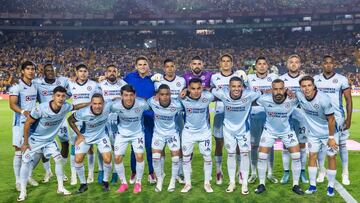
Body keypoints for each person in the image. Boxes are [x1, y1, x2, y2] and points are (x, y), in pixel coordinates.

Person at [18, 86, 88, 201]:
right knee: (25, 163)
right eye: (58, 96)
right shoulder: (41, 109)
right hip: (34, 140)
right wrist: (25, 143)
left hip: (49, 141)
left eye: (63, 96)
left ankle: (60, 187)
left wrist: (90, 103)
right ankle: (23, 192)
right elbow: (27, 123)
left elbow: (75, 106)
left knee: (58, 159)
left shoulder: (65, 107)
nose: (61, 98)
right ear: (53, 97)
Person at [254, 79, 304, 195]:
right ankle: (262, 184)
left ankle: (295, 185)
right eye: (275, 89)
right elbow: (251, 97)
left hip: (287, 131)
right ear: (271, 90)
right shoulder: (264, 99)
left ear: (285, 89)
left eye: (281, 89)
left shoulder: (292, 99)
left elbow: (304, 95)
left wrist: (293, 92)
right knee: (261, 156)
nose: (278, 91)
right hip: (269, 131)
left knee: (296, 156)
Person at [211, 76, 260, 194]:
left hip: (244, 131)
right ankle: (232, 182)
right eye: (233, 86)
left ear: (243, 87)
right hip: (228, 131)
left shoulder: (249, 95)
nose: (236, 89)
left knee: (244, 155)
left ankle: (244, 184)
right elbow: (211, 90)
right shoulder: (223, 94)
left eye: (239, 86)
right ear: (229, 87)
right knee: (231, 154)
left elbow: (260, 92)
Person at [296, 76, 338, 197]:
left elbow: (331, 119)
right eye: (304, 86)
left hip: (329, 133)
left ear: (314, 86)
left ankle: (330, 186)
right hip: (313, 133)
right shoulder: (299, 95)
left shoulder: (323, 99)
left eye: (309, 85)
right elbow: (290, 94)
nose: (307, 88)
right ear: (301, 88)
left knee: (331, 157)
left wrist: (331, 138)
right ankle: (312, 185)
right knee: (312, 156)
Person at [314, 55, 352, 185]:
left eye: (331, 63)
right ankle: (321, 171)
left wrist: (349, 119)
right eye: (326, 63)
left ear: (333, 64)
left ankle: (345, 173)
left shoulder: (341, 79)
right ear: (322, 64)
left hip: (338, 118)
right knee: (320, 146)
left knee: (341, 145)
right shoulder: (316, 79)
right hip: (321, 119)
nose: (328, 65)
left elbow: (349, 100)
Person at [68, 93, 113, 193]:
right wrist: (79, 135)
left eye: (100, 103)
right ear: (91, 104)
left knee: (107, 158)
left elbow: (118, 101)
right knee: (78, 159)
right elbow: (70, 120)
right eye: (95, 103)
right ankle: (83, 184)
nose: (97, 106)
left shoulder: (108, 107)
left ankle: (105, 182)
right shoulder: (83, 112)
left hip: (101, 136)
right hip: (86, 137)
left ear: (104, 103)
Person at [33, 63, 70, 183]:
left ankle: (61, 170)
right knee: (45, 145)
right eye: (47, 70)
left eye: (52, 70)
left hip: (60, 118)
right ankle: (48, 171)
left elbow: (69, 94)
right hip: (46, 120)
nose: (50, 72)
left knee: (65, 143)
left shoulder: (63, 81)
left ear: (55, 71)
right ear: (44, 72)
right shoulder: (37, 83)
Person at [111, 85, 150, 193]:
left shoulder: (142, 104)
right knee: (117, 158)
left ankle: (138, 182)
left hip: (137, 134)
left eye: (131, 95)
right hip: (121, 134)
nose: (128, 98)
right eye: (126, 95)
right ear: (121, 96)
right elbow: (103, 109)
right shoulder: (115, 106)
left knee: (139, 156)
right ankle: (124, 183)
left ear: (135, 95)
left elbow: (153, 105)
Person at [124, 56, 156, 184]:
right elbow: (116, 85)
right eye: (140, 64)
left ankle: (151, 172)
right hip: (134, 118)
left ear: (148, 66)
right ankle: (134, 172)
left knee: (149, 146)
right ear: (136, 66)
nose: (142, 66)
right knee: (134, 147)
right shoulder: (129, 78)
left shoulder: (153, 80)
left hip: (149, 117)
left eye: (145, 64)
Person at [67, 64, 101, 185]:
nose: (83, 73)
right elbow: (63, 97)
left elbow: (100, 99)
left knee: (90, 147)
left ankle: (91, 173)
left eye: (85, 71)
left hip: (89, 119)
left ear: (88, 72)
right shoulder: (70, 85)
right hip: (75, 120)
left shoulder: (93, 85)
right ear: (76, 72)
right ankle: (73, 175)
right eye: (80, 71)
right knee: (73, 147)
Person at [246, 57, 278, 184]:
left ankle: (270, 173)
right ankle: (253, 173)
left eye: (264, 64)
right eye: (259, 64)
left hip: (270, 115)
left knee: (269, 144)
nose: (262, 66)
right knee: (254, 145)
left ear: (267, 66)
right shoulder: (249, 79)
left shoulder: (273, 78)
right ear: (255, 66)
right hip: (253, 114)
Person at [179, 78, 214, 193]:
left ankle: (207, 183)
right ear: (189, 89)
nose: (196, 91)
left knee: (207, 157)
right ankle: (187, 184)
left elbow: (220, 93)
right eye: (193, 88)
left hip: (204, 132)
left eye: (199, 88)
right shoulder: (182, 99)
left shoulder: (208, 97)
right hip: (188, 133)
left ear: (202, 88)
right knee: (186, 158)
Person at [9, 61, 39, 192]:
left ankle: (27, 176)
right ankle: (18, 181)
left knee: (32, 151)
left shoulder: (34, 85)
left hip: (32, 123)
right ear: (22, 71)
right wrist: (23, 112)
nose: (31, 71)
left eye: (33, 69)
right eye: (28, 69)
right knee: (19, 151)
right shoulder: (16, 86)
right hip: (20, 123)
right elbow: (12, 104)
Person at [279, 55, 309, 184]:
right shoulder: (281, 79)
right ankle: (286, 173)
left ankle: (302, 172)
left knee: (302, 145)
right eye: (291, 62)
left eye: (296, 62)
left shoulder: (305, 79)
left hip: (302, 116)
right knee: (286, 145)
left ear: (300, 64)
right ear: (287, 64)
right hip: (287, 117)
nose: (294, 64)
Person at [148, 84, 183, 192]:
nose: (165, 97)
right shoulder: (152, 102)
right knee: (155, 157)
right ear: (158, 95)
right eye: (162, 94)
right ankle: (160, 178)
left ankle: (173, 180)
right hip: (158, 134)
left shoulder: (177, 104)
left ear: (170, 95)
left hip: (172, 133)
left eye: (167, 94)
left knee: (176, 158)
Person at [97, 64, 127, 184]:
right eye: (109, 71)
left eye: (114, 71)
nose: (112, 73)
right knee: (101, 147)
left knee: (117, 147)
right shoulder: (100, 85)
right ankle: (101, 171)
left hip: (118, 120)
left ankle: (115, 172)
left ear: (117, 72)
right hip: (103, 120)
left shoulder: (123, 84)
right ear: (106, 73)